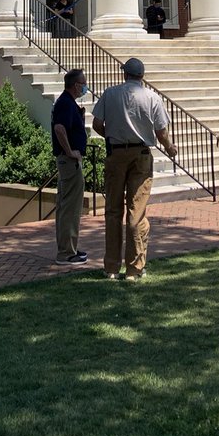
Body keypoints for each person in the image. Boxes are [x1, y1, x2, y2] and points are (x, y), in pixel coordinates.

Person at [92, 57, 177, 281]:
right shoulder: (152, 97)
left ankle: (111, 267)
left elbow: (97, 125)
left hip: (115, 153)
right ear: (142, 76)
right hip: (141, 154)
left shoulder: (110, 94)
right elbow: (161, 131)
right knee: (136, 212)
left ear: (125, 74)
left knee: (112, 210)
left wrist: (111, 137)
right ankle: (134, 268)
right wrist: (169, 148)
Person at [51, 69, 89, 265]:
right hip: (69, 162)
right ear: (76, 85)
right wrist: (69, 151)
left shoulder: (67, 103)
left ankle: (69, 248)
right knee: (70, 208)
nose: (85, 86)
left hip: (68, 162)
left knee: (67, 206)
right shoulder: (65, 103)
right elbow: (59, 128)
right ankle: (66, 253)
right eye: (83, 83)